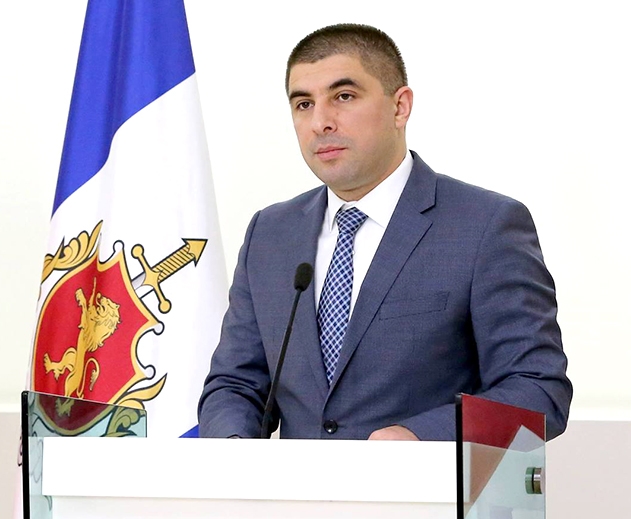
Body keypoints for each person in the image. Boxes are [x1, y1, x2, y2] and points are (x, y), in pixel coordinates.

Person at [198, 23, 571, 441]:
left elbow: (539, 393)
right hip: (291, 486)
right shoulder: (270, 234)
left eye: (344, 96)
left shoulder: (486, 226)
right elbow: (236, 385)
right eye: (303, 104)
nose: (320, 122)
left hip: (426, 483)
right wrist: (234, 450)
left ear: (400, 107)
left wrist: (416, 436)